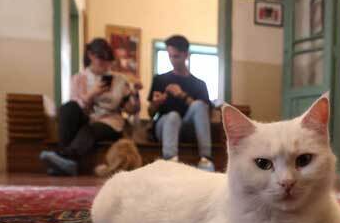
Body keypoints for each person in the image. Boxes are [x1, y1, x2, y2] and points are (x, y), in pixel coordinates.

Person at [41, 38, 141, 176]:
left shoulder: (120, 80)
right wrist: (92, 93)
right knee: (67, 108)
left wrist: (135, 94)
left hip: (110, 122)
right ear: (91, 55)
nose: (105, 64)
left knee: (90, 129)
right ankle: (64, 161)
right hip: (86, 118)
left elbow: (131, 110)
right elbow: (76, 107)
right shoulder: (78, 78)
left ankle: (65, 159)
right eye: (101, 59)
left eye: (108, 60)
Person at [147, 35, 214, 171]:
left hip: (189, 128)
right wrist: (156, 104)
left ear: (186, 55)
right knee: (173, 116)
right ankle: (170, 162)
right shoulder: (160, 80)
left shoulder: (199, 84)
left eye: (176, 56)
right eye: (170, 56)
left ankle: (206, 159)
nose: (172, 60)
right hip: (164, 127)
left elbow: (205, 113)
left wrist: (182, 95)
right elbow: (151, 113)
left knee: (199, 105)